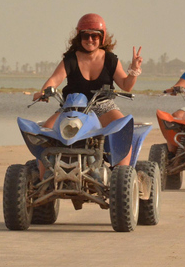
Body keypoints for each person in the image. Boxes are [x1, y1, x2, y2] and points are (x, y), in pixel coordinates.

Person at [32, 13, 143, 168]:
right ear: (79, 36)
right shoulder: (70, 59)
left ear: (102, 38)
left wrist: (134, 70)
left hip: (103, 106)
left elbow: (126, 85)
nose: (90, 40)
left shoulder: (110, 60)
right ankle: (44, 179)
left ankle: (122, 176)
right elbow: (54, 80)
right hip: (71, 107)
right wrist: (44, 92)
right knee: (45, 134)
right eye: (86, 36)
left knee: (123, 133)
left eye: (94, 36)